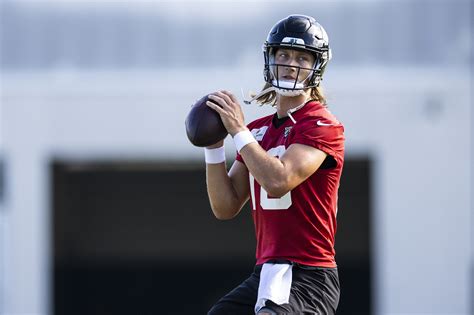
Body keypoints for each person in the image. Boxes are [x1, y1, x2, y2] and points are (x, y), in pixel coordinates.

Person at [203, 14, 344, 315]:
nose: (291, 63)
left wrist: (238, 132)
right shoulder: (256, 131)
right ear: (270, 59)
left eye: (302, 57)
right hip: (266, 269)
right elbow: (225, 205)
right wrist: (214, 147)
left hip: (310, 275)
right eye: (284, 54)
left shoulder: (321, 124)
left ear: (316, 66)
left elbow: (279, 181)